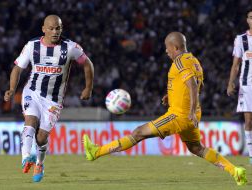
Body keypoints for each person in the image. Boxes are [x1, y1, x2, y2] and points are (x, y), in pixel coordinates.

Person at [83, 32, 247, 186]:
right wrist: (172, 95)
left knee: (138, 132)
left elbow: (192, 85)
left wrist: (189, 112)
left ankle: (96, 152)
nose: (166, 51)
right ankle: (235, 171)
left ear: (175, 47)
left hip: (180, 115)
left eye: (167, 47)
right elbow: (196, 86)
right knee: (197, 148)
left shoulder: (180, 62)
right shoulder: (194, 61)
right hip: (190, 113)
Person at [4, 15, 94, 182]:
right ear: (43, 29)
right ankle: (26, 157)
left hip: (53, 100)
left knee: (41, 137)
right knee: (30, 121)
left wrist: (88, 88)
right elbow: (17, 68)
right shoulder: (32, 46)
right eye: (51, 28)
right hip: (32, 92)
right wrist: (11, 89)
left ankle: (39, 163)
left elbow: (87, 63)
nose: (55, 32)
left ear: (62, 29)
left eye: (58, 28)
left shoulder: (70, 47)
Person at [227, 8, 252, 165]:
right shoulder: (241, 39)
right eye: (251, 17)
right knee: (249, 121)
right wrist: (230, 82)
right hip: (247, 85)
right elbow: (236, 64)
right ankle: (251, 154)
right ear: (247, 20)